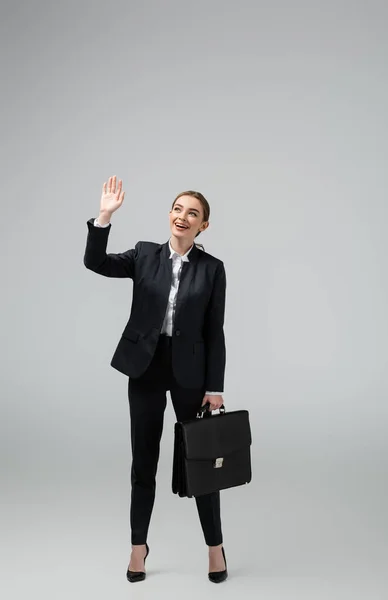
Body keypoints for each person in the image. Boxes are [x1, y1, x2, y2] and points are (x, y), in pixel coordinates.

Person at [83, 175, 228, 583]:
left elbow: (215, 333)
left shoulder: (212, 269)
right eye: (178, 209)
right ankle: (138, 547)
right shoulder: (145, 255)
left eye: (193, 213)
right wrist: (104, 217)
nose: (183, 217)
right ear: (169, 215)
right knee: (143, 461)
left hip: (191, 374)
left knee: (200, 464)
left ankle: (215, 547)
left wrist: (214, 388)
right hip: (145, 367)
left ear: (204, 226)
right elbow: (96, 263)